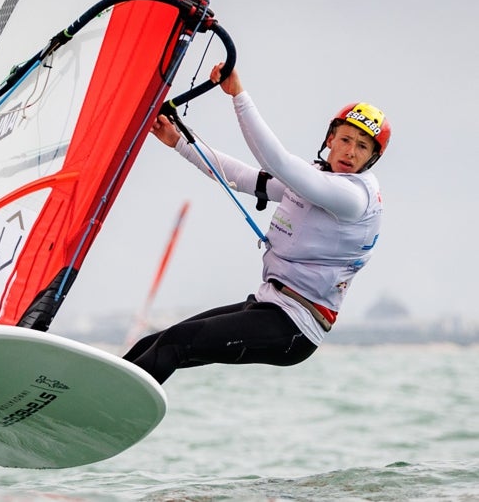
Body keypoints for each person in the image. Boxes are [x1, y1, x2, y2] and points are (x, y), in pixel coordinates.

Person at [123, 64, 390, 384]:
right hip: (267, 304)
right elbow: (245, 178)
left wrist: (238, 95)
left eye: (363, 146)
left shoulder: (352, 197)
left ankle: (102, 419)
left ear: (372, 157)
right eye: (346, 139)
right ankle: (78, 397)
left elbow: (276, 161)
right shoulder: (317, 178)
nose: (350, 151)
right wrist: (179, 141)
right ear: (330, 139)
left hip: (294, 327)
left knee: (176, 344)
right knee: (151, 343)